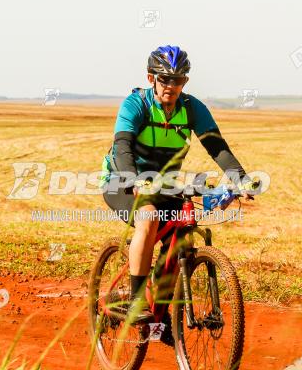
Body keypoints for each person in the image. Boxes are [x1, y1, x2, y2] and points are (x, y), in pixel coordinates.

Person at [100, 45, 256, 345]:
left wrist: (241, 179)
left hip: (163, 183)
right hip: (120, 180)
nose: (172, 85)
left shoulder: (192, 107)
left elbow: (217, 147)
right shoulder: (136, 105)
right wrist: (133, 179)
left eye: (179, 80)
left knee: (181, 238)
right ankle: (135, 300)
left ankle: (162, 318)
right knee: (148, 218)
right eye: (165, 79)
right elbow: (122, 147)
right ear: (151, 78)